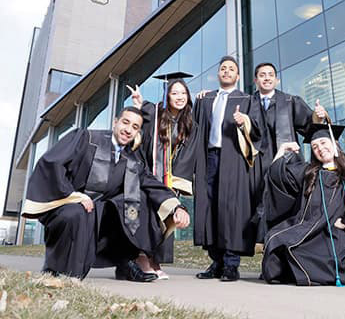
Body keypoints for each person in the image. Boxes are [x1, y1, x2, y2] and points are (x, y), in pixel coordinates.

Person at [21, 106, 190, 281]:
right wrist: (74, 196)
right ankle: (57, 268)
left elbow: (152, 185)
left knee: (137, 201)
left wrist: (177, 208)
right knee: (76, 213)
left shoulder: (133, 161)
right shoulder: (86, 138)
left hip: (100, 216)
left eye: (134, 127)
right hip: (69, 206)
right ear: (115, 122)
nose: (128, 129)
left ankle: (126, 263)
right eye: (125, 122)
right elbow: (51, 163)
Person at [262, 123, 345, 286]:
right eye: (314, 146)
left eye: (323, 143)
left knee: (300, 251)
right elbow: (277, 175)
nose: (320, 148)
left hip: (333, 234)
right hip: (306, 229)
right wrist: (283, 149)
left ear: (334, 144)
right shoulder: (309, 173)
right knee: (275, 238)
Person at [194, 55, 261, 282]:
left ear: (238, 75)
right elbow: (193, 127)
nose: (226, 71)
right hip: (209, 157)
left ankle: (231, 264)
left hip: (232, 158)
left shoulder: (247, 99)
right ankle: (217, 261)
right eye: (223, 68)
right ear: (218, 74)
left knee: (231, 209)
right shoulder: (206, 99)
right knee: (210, 207)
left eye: (231, 69)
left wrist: (245, 121)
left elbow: (258, 131)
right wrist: (198, 98)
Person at [128, 75, 198, 279]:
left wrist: (178, 180)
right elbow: (143, 116)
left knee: (165, 220)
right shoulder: (157, 112)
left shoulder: (189, 122)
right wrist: (139, 102)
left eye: (183, 93)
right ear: (167, 96)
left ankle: (155, 260)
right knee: (149, 217)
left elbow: (188, 153)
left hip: (170, 177)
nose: (179, 97)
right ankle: (142, 257)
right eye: (174, 93)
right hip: (151, 174)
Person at [251, 62, 327, 244]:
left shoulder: (290, 101)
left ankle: (288, 259)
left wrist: (320, 117)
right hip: (256, 167)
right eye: (262, 75)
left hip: (286, 165)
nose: (267, 77)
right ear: (256, 80)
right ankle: (269, 261)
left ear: (277, 80)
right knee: (261, 210)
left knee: (287, 210)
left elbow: (311, 128)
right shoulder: (247, 103)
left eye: (270, 74)